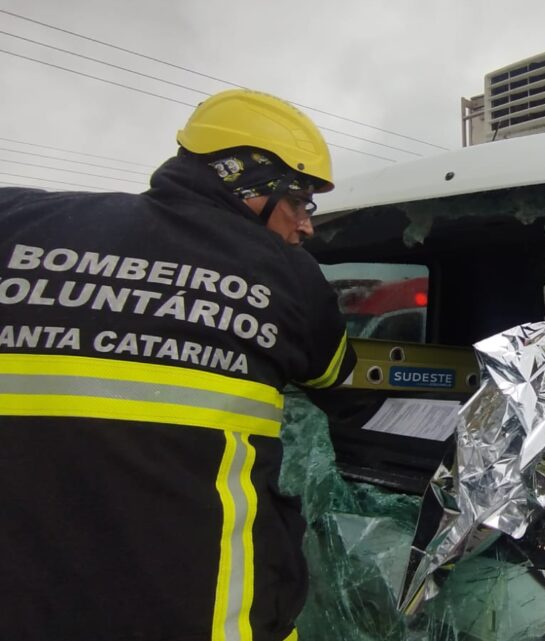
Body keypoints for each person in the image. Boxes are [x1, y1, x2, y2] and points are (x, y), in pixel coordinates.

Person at [0, 89, 356, 641]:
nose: (306, 226)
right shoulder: (287, 274)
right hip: (207, 619)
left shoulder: (18, 221)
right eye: (298, 201)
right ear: (249, 184)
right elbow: (337, 376)